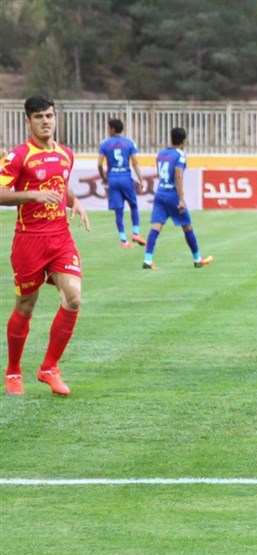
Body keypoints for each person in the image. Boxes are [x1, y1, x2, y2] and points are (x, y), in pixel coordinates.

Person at [1, 95, 91, 396]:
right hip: (29, 241)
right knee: (26, 306)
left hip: (60, 238)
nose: (45, 121)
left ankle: (49, 368)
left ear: (55, 118)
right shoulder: (18, 156)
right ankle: (13, 371)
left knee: (73, 299)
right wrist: (33, 195)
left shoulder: (66, 154)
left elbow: (60, 186)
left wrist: (75, 201)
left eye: (49, 116)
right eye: (38, 117)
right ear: (28, 121)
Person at [143, 127, 213, 270]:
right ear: (183, 141)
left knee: (156, 226)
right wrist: (181, 199)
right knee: (187, 226)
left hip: (160, 192)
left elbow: (160, 173)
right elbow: (178, 175)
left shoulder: (161, 154)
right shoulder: (180, 155)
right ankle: (197, 259)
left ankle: (148, 259)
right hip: (172, 195)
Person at [97, 118, 147, 248]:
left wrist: (103, 177)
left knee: (118, 210)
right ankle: (135, 233)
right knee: (133, 205)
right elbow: (135, 163)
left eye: (108, 128)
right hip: (125, 177)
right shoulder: (129, 143)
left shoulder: (105, 144)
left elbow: (99, 164)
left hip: (113, 179)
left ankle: (124, 240)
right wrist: (141, 179)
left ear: (113, 129)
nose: (108, 130)